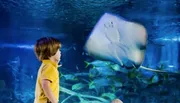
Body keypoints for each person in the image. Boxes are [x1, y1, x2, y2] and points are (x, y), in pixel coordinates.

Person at [34, 37, 61, 103]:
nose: (60, 52)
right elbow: (45, 85)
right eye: (58, 50)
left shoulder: (46, 65)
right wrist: (54, 102)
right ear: (51, 53)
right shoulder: (49, 67)